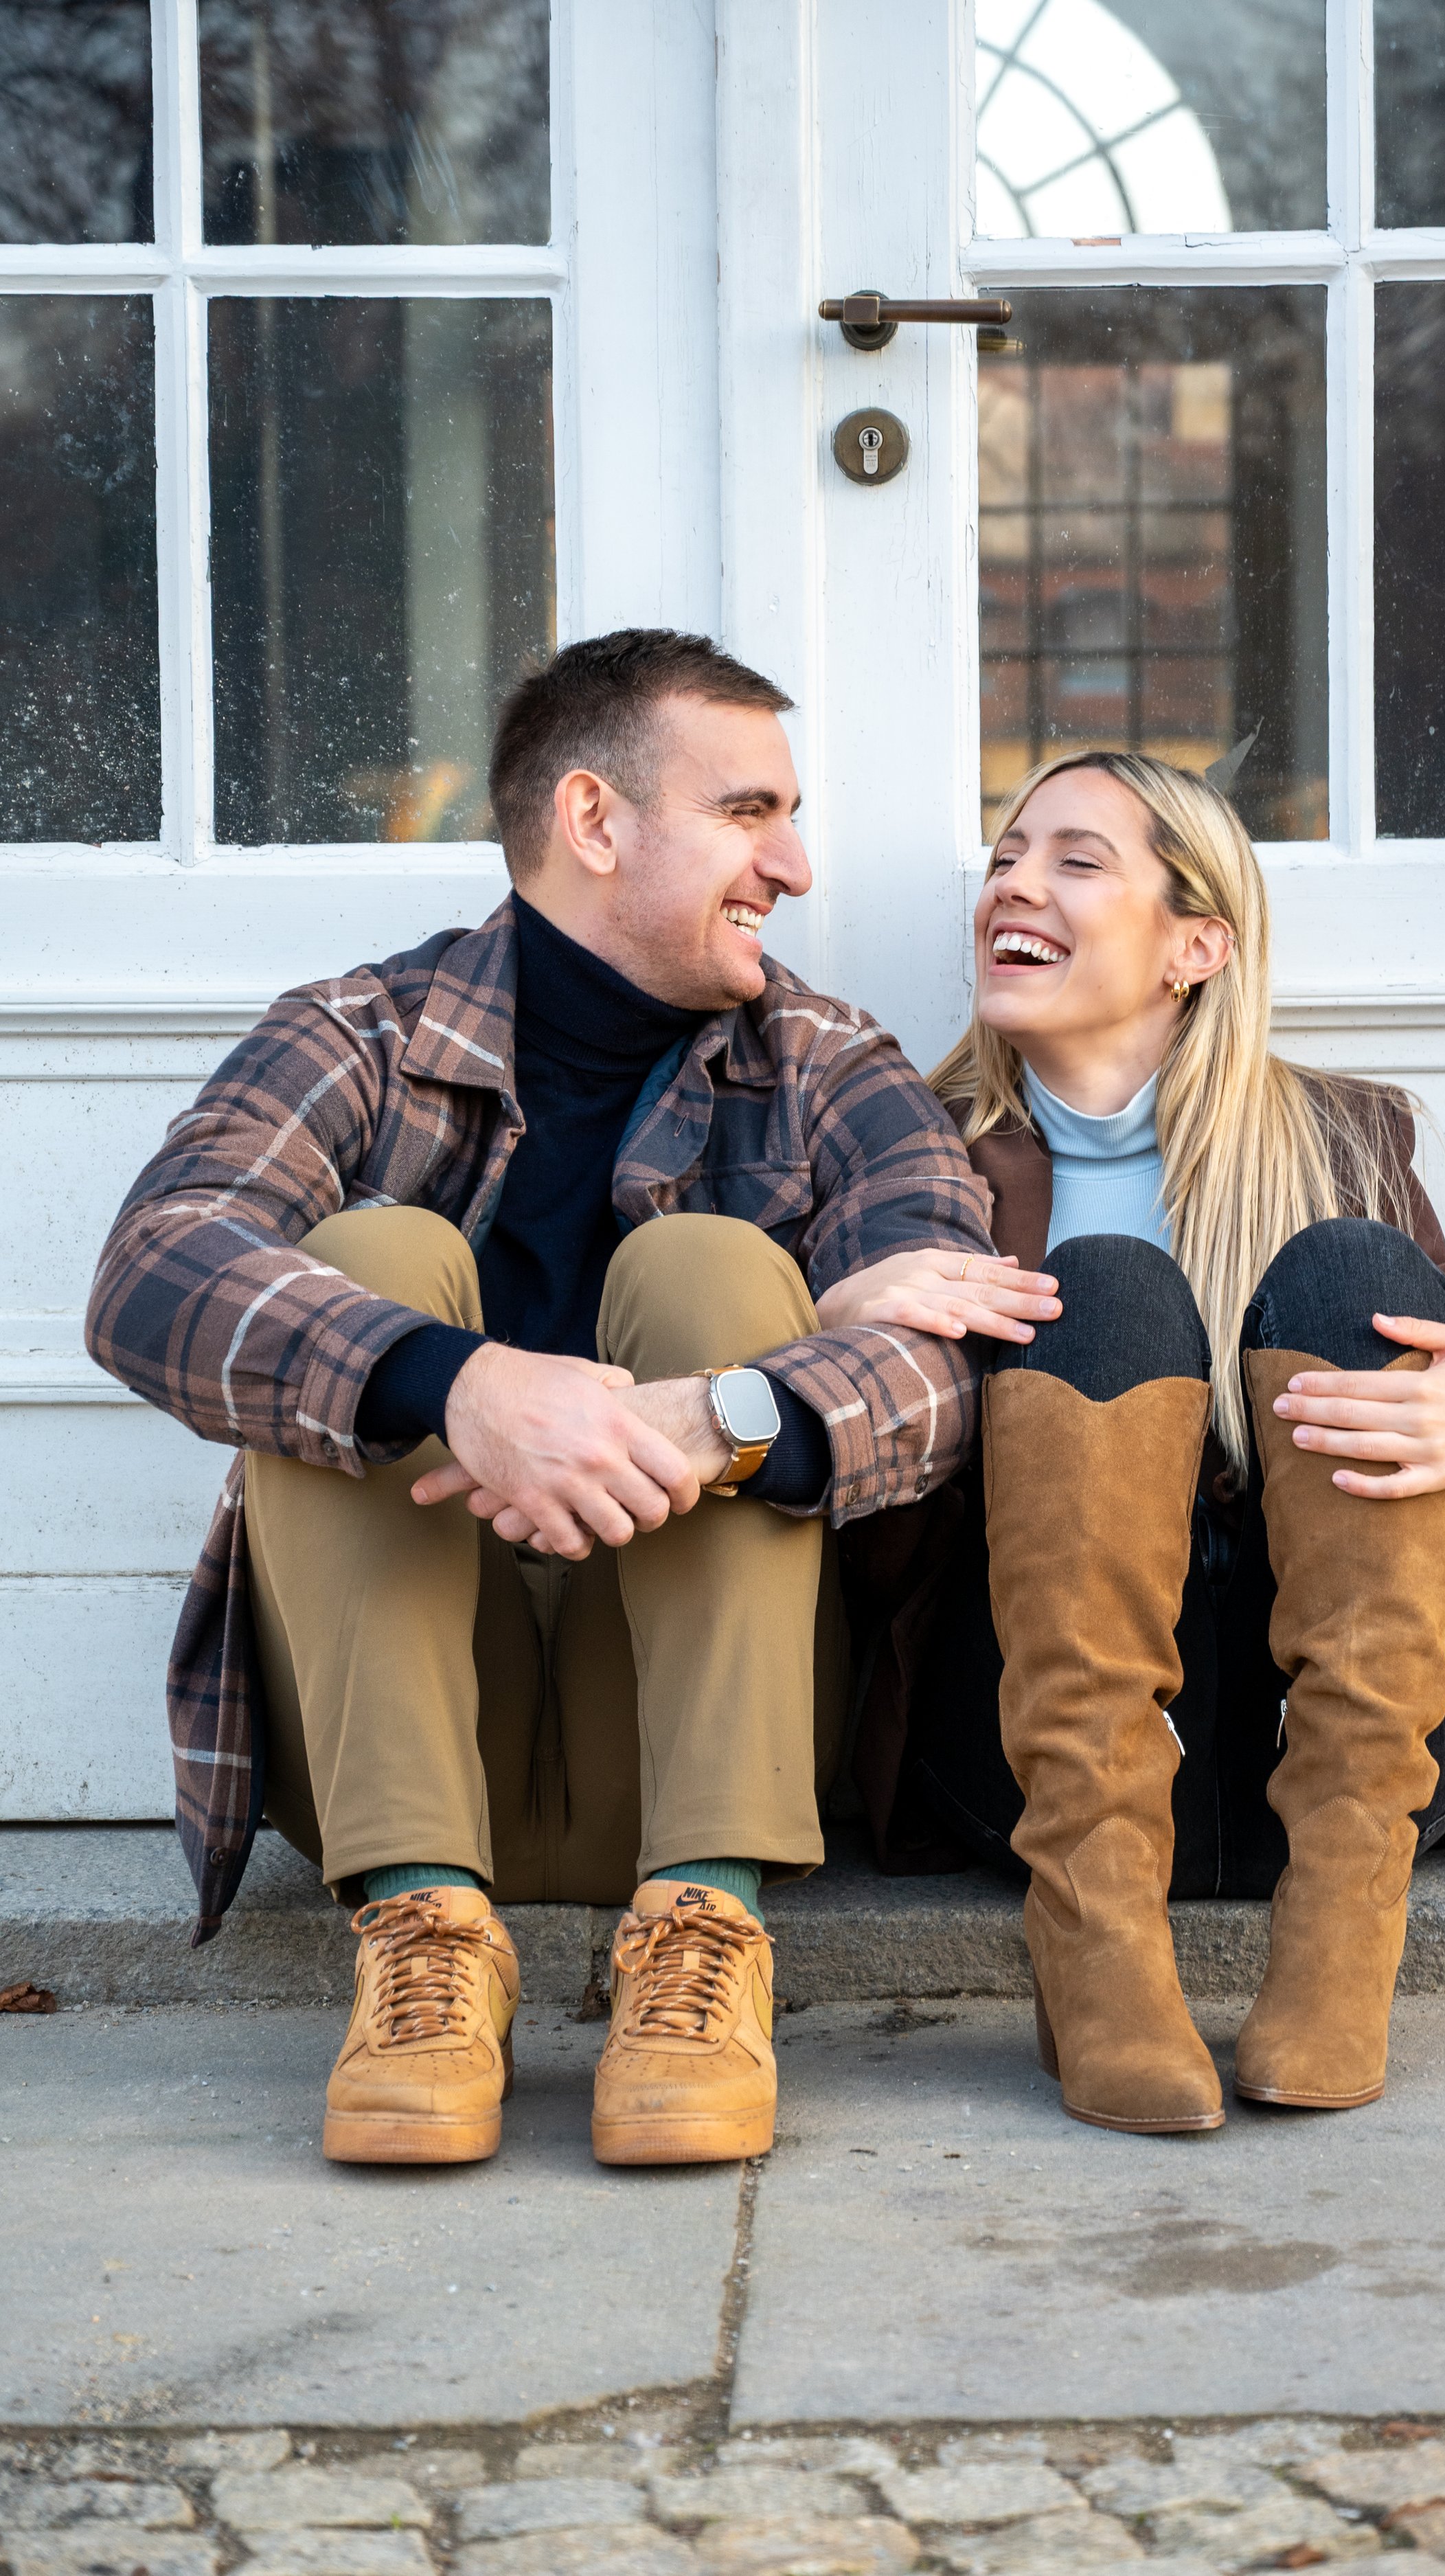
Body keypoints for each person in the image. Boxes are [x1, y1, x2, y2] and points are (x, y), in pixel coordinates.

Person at [85, 628, 1003, 2173]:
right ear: (592, 821)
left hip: (696, 1739)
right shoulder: (359, 1035)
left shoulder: (826, 1060)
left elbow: (948, 1348)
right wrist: (460, 1385)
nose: (791, 862)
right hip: (393, 1748)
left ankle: (706, 1940)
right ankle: (426, 1953)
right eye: (747, 811)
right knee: (363, 1263)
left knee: (715, 1274)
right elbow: (154, 1271)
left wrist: (715, 1416)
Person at [826, 749, 1445, 2136]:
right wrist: (845, 1324)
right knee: (1109, 1294)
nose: (1011, 883)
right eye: (1006, 857)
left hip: (1321, 1748)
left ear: (1193, 943)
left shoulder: (1337, 1138)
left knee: (1345, 1269)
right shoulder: (914, 1157)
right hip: (1036, 1749)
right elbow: (873, 1541)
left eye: (1074, 860)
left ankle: (1341, 1932)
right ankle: (1091, 1954)